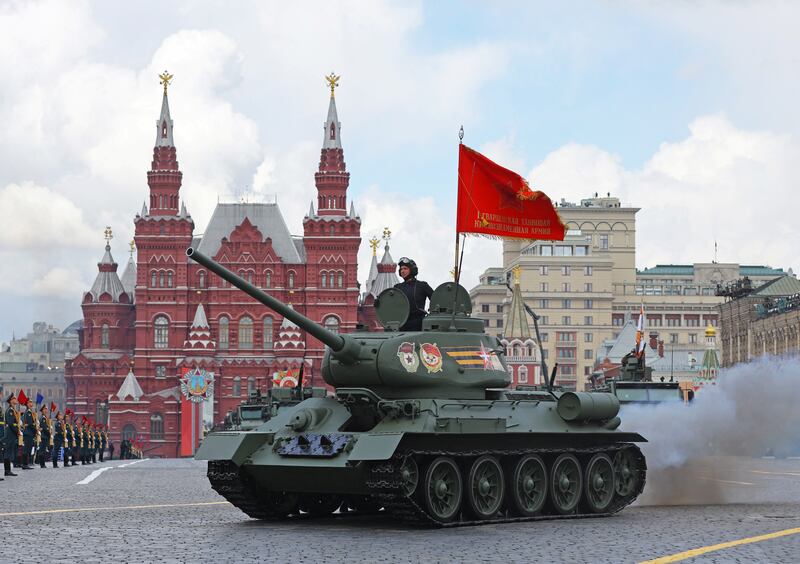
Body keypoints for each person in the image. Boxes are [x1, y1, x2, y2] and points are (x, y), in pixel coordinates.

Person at [393, 257, 434, 331]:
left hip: (418, 324)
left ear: (412, 270)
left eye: (405, 269)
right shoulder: (397, 287)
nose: (402, 271)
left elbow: (435, 299)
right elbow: (390, 303)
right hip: (401, 324)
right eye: (401, 269)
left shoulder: (422, 285)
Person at [3, 393, 19, 477]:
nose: (16, 399)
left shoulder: (13, 410)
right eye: (14, 398)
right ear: (11, 401)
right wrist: (17, 431)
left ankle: (8, 470)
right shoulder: (10, 410)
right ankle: (7, 470)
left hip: (12, 434)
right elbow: (11, 423)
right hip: (10, 434)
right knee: (8, 452)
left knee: (9, 452)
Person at [21, 396, 36, 470]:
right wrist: (35, 430)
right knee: (26, 449)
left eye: (31, 402)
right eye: (30, 402)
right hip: (28, 432)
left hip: (29, 432)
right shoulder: (29, 412)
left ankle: (25, 464)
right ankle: (24, 464)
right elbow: (30, 424)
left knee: (28, 448)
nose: (31, 403)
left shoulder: (29, 412)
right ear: (27, 404)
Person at [37, 404, 51, 468]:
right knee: (42, 450)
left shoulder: (45, 418)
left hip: (44, 436)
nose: (46, 410)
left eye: (46, 409)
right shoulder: (43, 418)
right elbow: (45, 428)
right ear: (42, 411)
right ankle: (42, 464)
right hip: (43, 436)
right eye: (45, 409)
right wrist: (49, 433)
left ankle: (42, 464)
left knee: (43, 450)